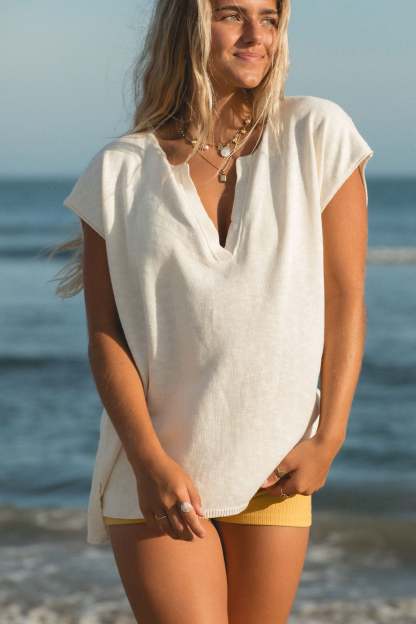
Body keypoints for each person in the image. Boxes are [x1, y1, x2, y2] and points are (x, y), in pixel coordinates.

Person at [54, 0, 374, 621]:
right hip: (159, 470)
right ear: (189, 25)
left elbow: (345, 299)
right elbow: (106, 336)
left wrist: (328, 439)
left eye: (269, 18)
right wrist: (148, 462)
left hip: (276, 467)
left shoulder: (316, 133)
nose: (256, 35)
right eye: (231, 15)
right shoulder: (120, 170)